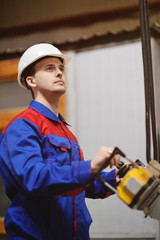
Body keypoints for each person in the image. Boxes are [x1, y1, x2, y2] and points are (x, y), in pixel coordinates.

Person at [0, 43, 120, 240]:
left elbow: (79, 185)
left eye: (61, 68)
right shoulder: (21, 127)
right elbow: (34, 178)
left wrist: (113, 180)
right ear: (31, 81)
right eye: (50, 68)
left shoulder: (66, 132)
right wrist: (89, 167)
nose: (59, 73)